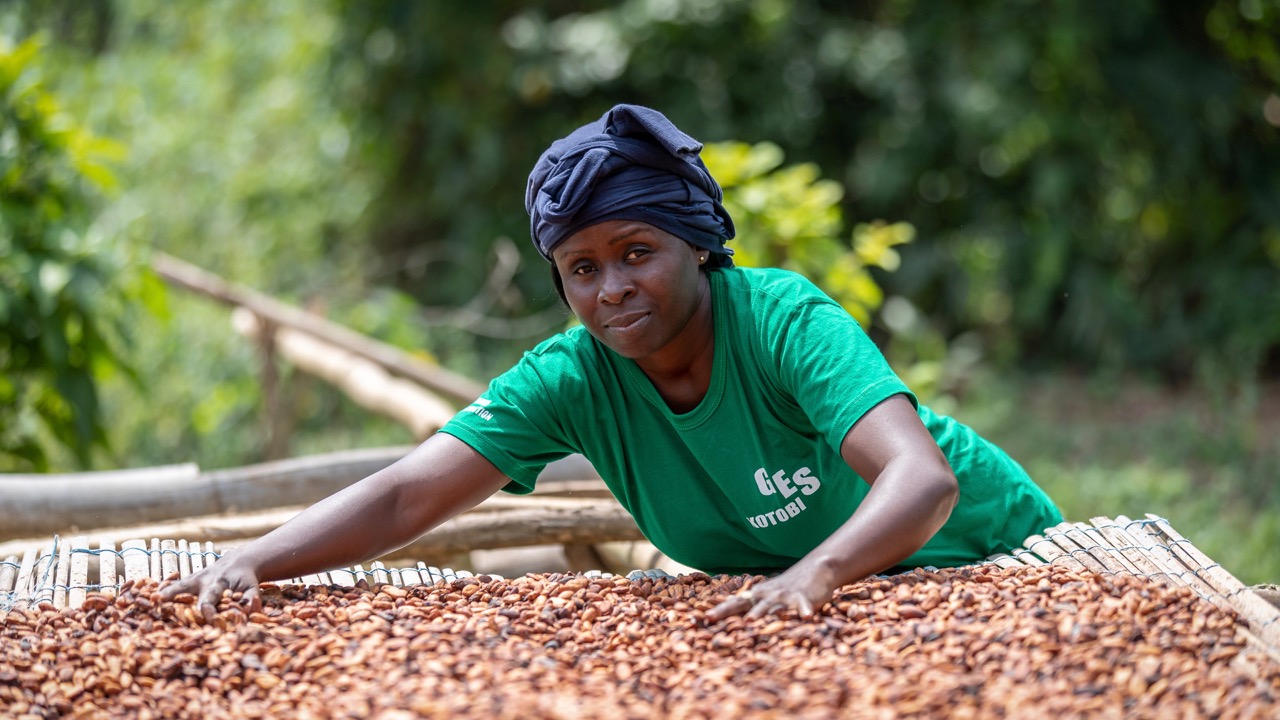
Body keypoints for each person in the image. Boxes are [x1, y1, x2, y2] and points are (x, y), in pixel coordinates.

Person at [163, 104, 1061, 621]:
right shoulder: (571, 380)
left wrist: (814, 575)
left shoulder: (781, 320)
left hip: (995, 561)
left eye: (638, 251)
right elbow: (407, 494)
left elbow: (922, 481)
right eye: (582, 270)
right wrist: (255, 561)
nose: (613, 289)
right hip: (848, 612)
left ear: (699, 245)